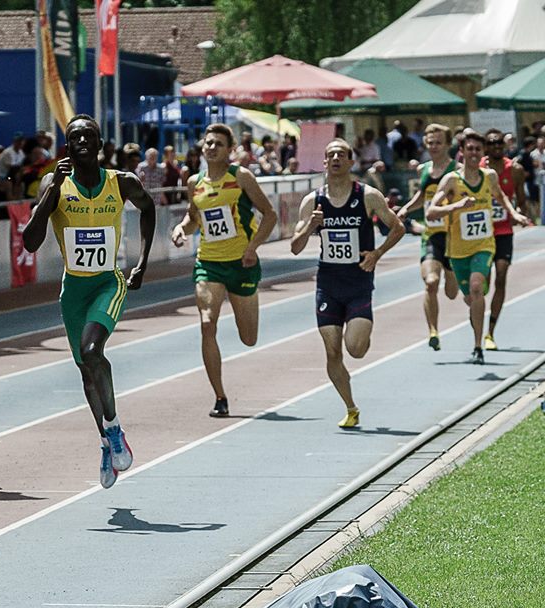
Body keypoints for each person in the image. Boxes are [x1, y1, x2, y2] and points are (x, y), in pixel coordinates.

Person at [22, 114, 155, 488]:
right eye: (74, 136)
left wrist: (141, 264)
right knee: (86, 369)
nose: (81, 140)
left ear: (99, 145)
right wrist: (52, 191)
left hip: (107, 284)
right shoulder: (55, 183)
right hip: (74, 290)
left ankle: (113, 430)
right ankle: (105, 441)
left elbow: (148, 208)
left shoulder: (121, 182)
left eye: (88, 136)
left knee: (93, 350)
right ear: (67, 147)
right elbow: (30, 242)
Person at [291, 139, 404, 428]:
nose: (337, 158)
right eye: (331, 155)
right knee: (332, 351)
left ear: (352, 163)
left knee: (355, 349)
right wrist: (310, 226)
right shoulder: (312, 201)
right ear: (325, 163)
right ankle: (351, 407)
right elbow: (295, 246)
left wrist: (377, 254)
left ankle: (362, 332)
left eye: (342, 154)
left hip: (358, 284)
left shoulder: (367, 195)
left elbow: (398, 227)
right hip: (328, 284)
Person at [171, 124, 277, 418]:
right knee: (207, 323)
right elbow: (194, 218)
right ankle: (220, 397)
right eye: (208, 143)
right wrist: (181, 228)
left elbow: (270, 214)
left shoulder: (241, 177)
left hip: (241, 263)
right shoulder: (194, 182)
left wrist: (252, 248)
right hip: (209, 263)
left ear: (230, 150)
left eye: (218, 143)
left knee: (248, 338)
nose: (211, 148)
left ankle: (248, 300)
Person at [426, 131, 528, 365]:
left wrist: (514, 214)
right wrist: (457, 205)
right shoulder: (452, 180)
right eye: (470, 149)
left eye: (477, 150)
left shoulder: (489, 176)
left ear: (482, 154)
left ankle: (478, 346)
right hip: (458, 250)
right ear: (462, 152)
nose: (474, 153)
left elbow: (501, 197)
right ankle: (477, 323)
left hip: (484, 244)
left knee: (476, 287)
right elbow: (432, 211)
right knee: (472, 297)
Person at [396, 124, 460, 350]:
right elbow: (422, 196)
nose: (433, 146)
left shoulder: (456, 170)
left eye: (438, 142)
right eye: (430, 142)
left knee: (452, 293)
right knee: (431, 282)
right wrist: (406, 208)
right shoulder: (423, 169)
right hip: (431, 234)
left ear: (448, 144)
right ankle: (433, 331)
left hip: (454, 236)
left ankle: (452, 275)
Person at [478, 129, 533, 350]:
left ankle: (490, 332)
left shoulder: (516, 170)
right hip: (480, 233)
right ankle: (477, 322)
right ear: (486, 146)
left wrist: (519, 213)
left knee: (501, 276)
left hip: (503, 233)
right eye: (492, 143)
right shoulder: (477, 169)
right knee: (482, 283)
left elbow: (521, 200)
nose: (497, 147)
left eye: (500, 143)